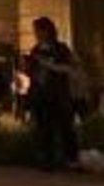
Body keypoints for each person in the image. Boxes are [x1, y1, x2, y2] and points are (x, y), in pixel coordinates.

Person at [25, 17, 80, 171]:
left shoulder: (60, 48)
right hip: (41, 94)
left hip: (59, 94)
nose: (36, 34)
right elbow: (32, 73)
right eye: (35, 31)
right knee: (44, 128)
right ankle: (48, 160)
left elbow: (70, 68)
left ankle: (71, 160)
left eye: (38, 30)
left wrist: (49, 65)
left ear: (47, 30)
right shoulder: (36, 50)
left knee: (66, 127)